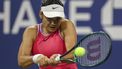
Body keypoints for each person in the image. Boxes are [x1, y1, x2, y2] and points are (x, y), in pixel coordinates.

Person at [17, 0, 78, 69]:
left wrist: (59, 58)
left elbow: (73, 55)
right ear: (41, 14)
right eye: (49, 19)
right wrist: (36, 58)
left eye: (57, 19)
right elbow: (21, 61)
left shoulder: (66, 25)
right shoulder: (31, 31)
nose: (53, 23)